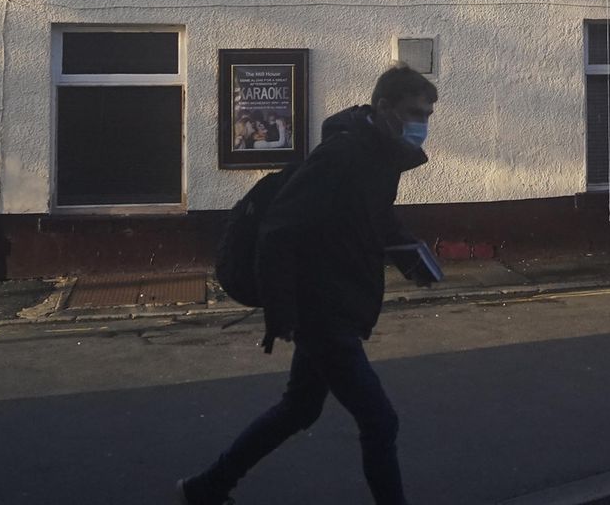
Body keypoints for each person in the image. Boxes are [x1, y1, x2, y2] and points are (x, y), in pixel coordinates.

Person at [178, 64, 436, 505]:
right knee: (380, 421)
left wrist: (412, 256)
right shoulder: (341, 155)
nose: (421, 125)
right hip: (324, 311)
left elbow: (374, 218)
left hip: (339, 303)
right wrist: (282, 313)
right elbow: (280, 229)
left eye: (427, 116)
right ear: (383, 106)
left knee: (299, 409)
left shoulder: (380, 160)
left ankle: (207, 487)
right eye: (415, 113)